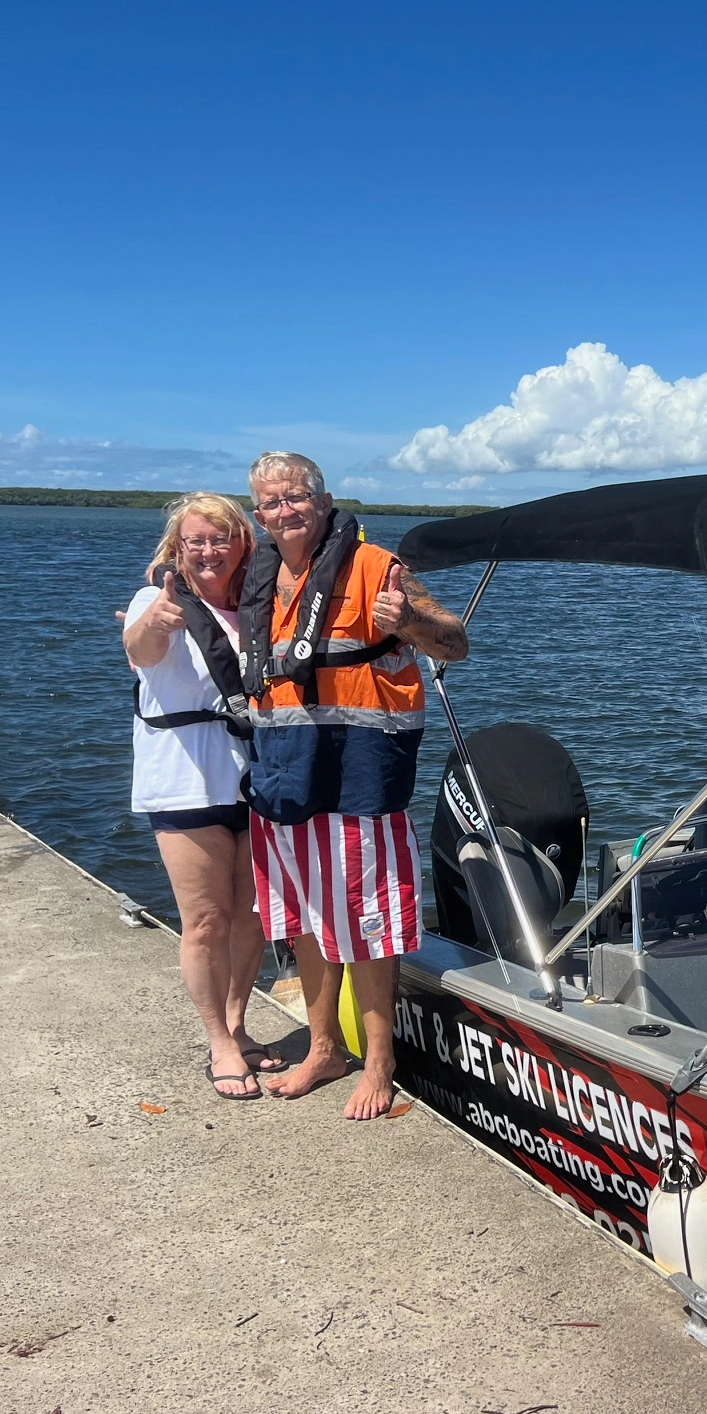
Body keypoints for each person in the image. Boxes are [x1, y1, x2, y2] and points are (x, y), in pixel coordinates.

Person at [239, 451, 468, 1119]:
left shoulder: (375, 566)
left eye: (297, 497)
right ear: (260, 514)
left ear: (324, 498)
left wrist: (411, 623)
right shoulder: (261, 577)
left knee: (368, 919)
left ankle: (379, 1061)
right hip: (283, 768)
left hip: (360, 770)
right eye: (273, 502)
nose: (286, 510)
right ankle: (323, 1048)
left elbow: (455, 642)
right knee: (306, 919)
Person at [123, 492, 282, 1101]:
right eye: (197, 541)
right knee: (206, 919)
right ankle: (217, 1041)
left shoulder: (257, 608)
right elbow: (139, 651)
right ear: (178, 547)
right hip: (183, 780)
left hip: (253, 774)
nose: (210, 551)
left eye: (222, 539)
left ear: (243, 543)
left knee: (252, 915)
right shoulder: (155, 601)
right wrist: (154, 624)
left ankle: (239, 1024)